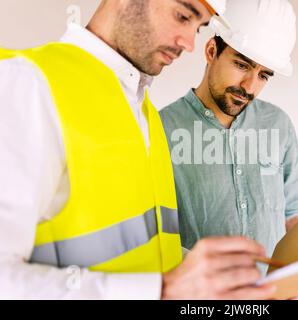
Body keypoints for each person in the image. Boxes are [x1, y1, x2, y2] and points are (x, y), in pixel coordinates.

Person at [0, 0, 276, 300]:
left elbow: (149, 253)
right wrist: (162, 290)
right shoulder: (28, 85)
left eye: (198, 28)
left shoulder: (146, 114)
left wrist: (234, 286)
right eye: (183, 15)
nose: (189, 43)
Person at [160, 0, 298, 275]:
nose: (250, 87)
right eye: (242, 65)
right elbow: (152, 236)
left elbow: (295, 214)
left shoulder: (279, 125)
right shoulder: (160, 130)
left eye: (263, 75)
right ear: (211, 50)